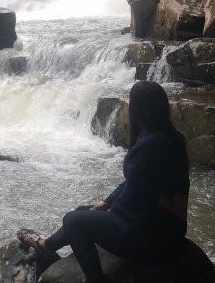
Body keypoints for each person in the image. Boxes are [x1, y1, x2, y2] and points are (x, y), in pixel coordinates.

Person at [16, 80, 190, 282]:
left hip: (152, 239)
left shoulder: (148, 147)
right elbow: (134, 184)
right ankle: (46, 246)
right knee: (84, 210)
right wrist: (107, 202)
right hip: (168, 229)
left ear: (138, 111)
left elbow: (130, 207)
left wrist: (110, 211)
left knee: (73, 220)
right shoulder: (172, 140)